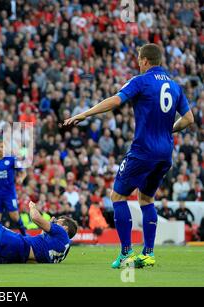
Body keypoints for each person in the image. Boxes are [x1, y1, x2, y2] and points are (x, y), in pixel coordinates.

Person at [63, 43, 194, 269]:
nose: (137, 63)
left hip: (143, 150)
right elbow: (189, 119)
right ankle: (149, 253)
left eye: (138, 59)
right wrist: (167, 130)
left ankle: (126, 253)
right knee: (146, 199)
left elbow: (115, 100)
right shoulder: (175, 86)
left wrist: (84, 114)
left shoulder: (140, 81)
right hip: (165, 152)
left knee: (118, 196)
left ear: (144, 60)